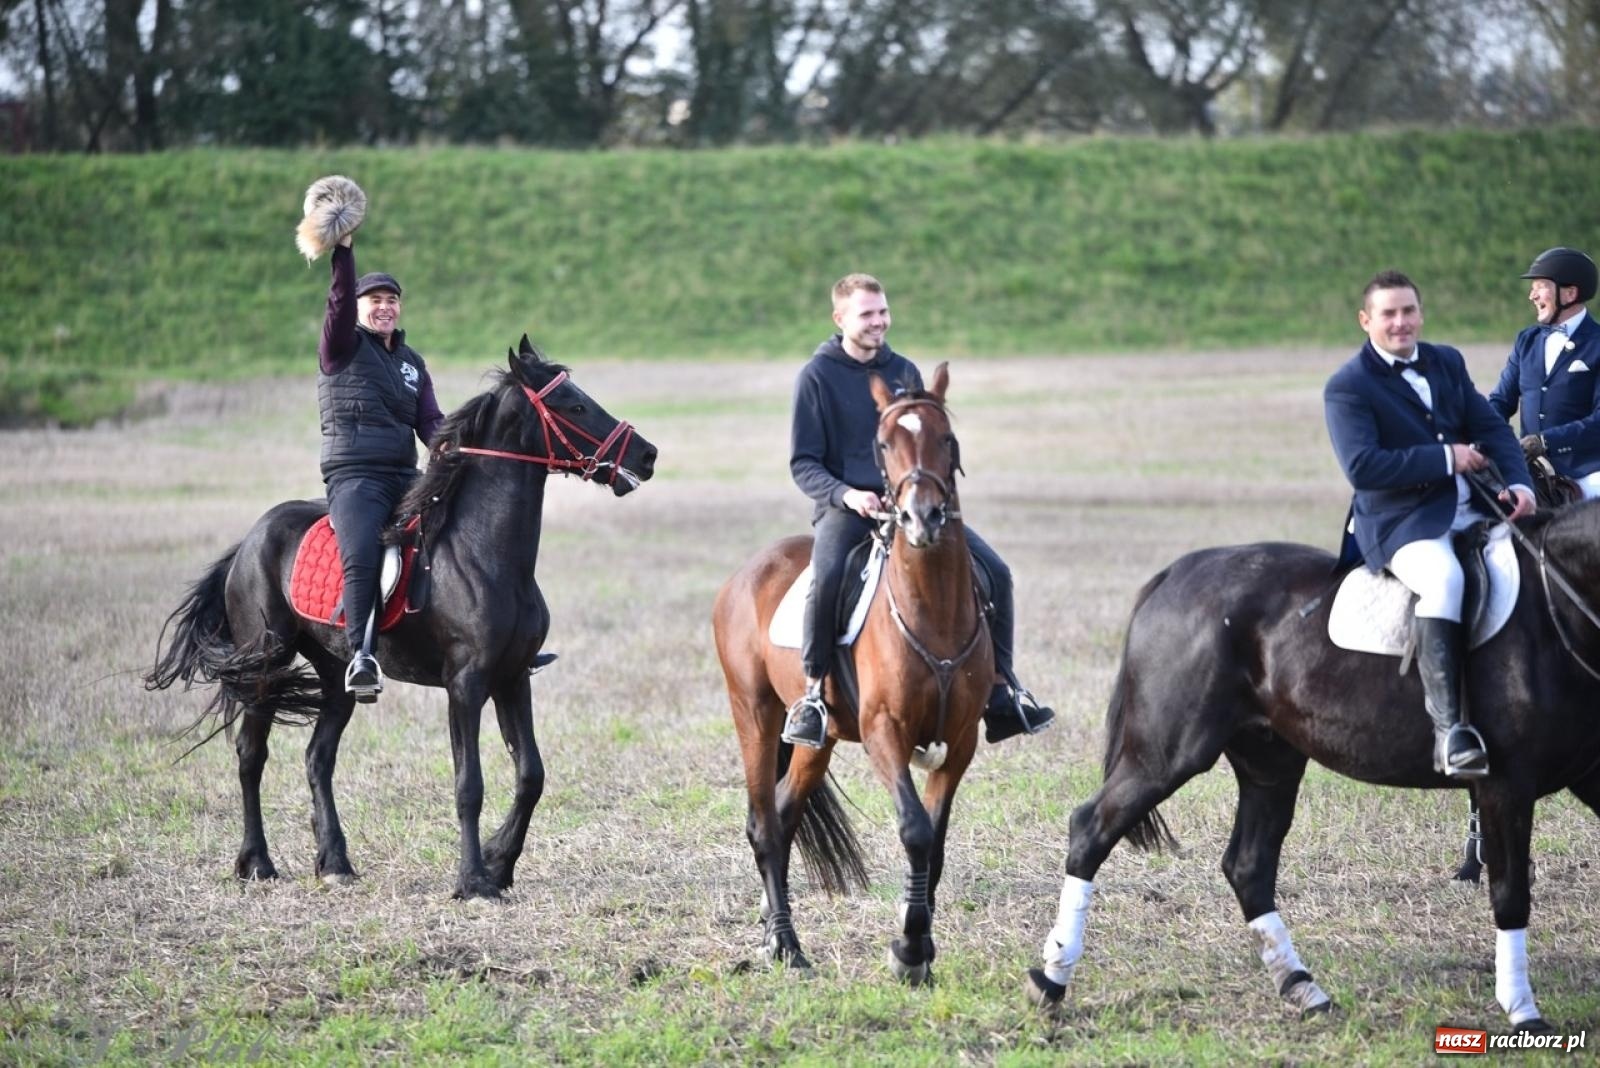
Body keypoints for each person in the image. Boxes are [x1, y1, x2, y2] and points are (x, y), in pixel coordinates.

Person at [780, 272, 1054, 749]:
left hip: (915, 505)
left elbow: (925, 444)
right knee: (825, 578)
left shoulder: (905, 371)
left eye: (882, 311)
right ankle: (814, 696)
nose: (878, 322)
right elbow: (804, 463)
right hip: (848, 509)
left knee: (997, 571)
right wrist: (850, 495)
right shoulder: (816, 377)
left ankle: (1002, 690)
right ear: (840, 318)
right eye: (866, 314)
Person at [1324, 269, 1535, 778]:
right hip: (1402, 524)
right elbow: (1364, 467)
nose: (1401, 323)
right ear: (1365, 320)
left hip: (1475, 507)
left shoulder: (1446, 361)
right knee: (1445, 579)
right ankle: (1449, 731)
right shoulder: (1347, 387)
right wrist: (1447, 458)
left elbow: (1489, 425)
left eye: (1408, 311)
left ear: (1420, 312)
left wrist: (1520, 482)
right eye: (1388, 314)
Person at [317, 232, 444, 701]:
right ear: (357, 307)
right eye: (374, 300)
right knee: (364, 552)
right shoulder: (342, 345)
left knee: (463, 523)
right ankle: (361, 656)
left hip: (404, 475)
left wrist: (453, 450)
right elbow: (336, 299)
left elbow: (429, 421)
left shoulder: (413, 363)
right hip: (355, 477)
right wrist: (344, 252)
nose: (384, 307)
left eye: (391, 300)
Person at [1487, 247, 1600, 498]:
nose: (1532, 295)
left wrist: (1546, 442)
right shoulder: (1527, 340)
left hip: (1587, 469)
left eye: (1540, 286)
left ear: (1570, 293)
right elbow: (1500, 401)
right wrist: (1481, 430)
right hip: (1531, 468)